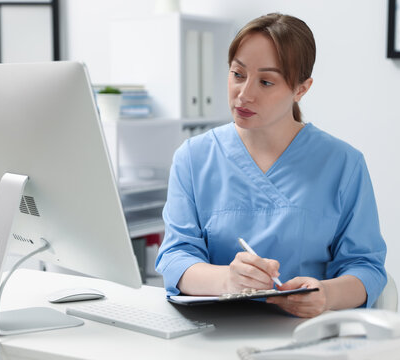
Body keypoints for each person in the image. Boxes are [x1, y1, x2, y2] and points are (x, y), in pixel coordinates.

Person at [156, 13, 386, 318]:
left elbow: (366, 266)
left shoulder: (343, 163)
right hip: (210, 333)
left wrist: (327, 294)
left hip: (305, 333)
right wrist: (226, 280)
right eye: (238, 74)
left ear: (301, 89)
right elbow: (176, 256)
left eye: (266, 81)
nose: (244, 94)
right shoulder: (193, 157)